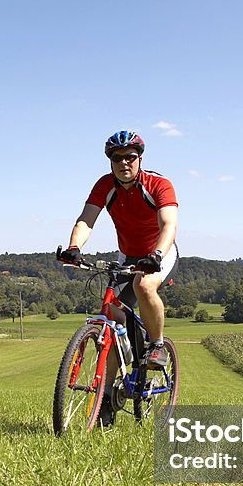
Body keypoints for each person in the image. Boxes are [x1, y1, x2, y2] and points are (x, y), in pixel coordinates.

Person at [57, 130, 179, 426]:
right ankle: (107, 400)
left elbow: (168, 224)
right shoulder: (105, 186)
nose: (124, 163)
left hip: (160, 253)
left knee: (144, 284)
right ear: (110, 161)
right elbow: (87, 218)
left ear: (140, 159)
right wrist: (74, 247)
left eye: (130, 157)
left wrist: (157, 255)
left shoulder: (158, 184)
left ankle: (158, 345)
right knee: (111, 314)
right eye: (117, 158)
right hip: (128, 256)